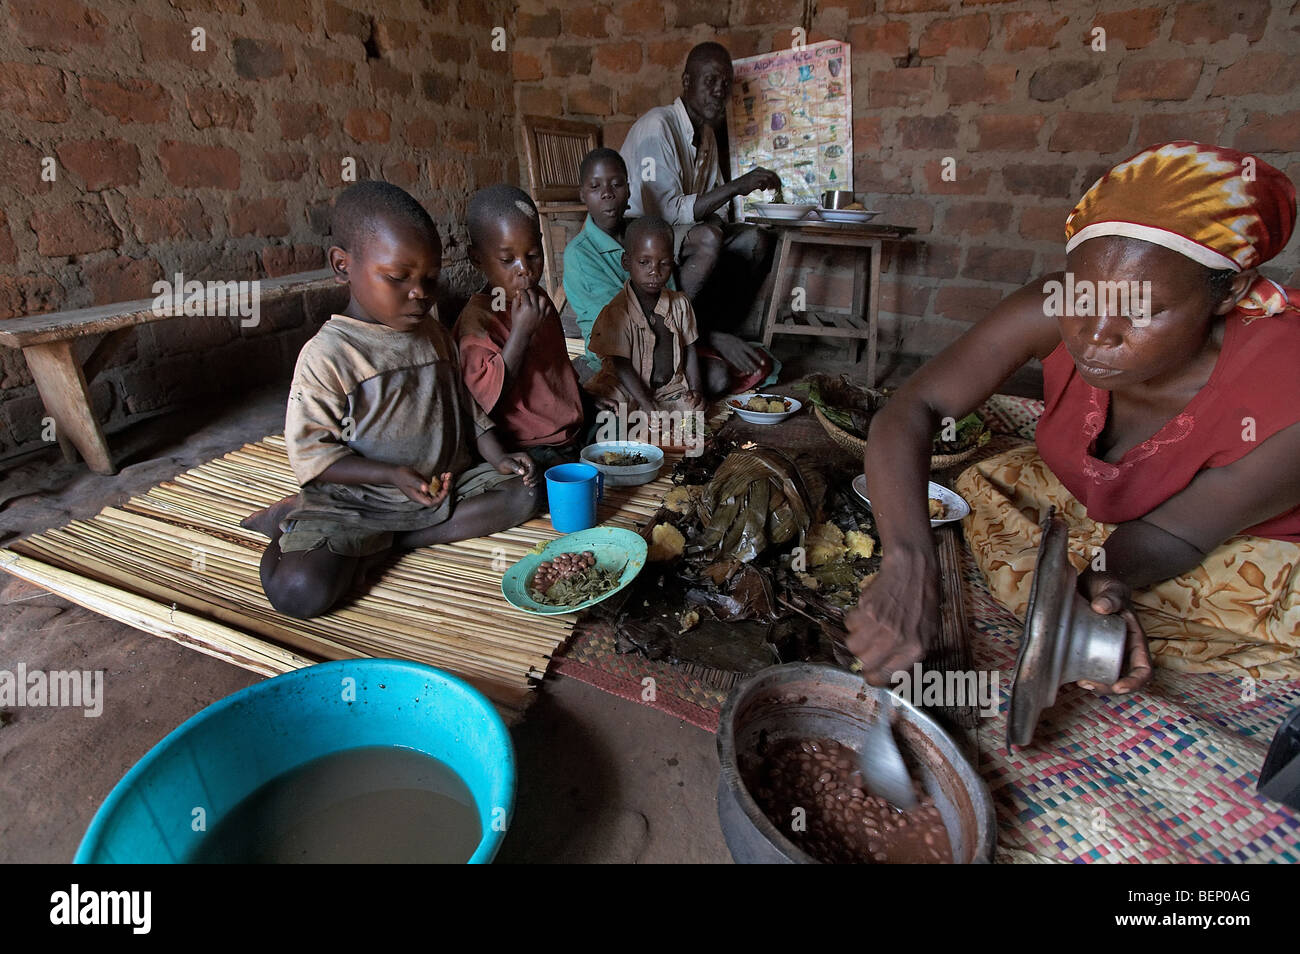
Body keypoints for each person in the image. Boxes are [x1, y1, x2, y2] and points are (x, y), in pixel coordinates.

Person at [846, 141, 1300, 689]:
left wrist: (1103, 584)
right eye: (1083, 297)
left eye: (1140, 310)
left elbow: (1176, 535)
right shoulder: (1053, 306)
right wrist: (909, 565)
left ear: (1230, 292)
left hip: (1243, 540)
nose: (1096, 332)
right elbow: (916, 407)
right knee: (986, 484)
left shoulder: (1284, 392)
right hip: (1104, 508)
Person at [241, 181, 540, 619]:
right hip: (358, 501)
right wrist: (389, 475)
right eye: (399, 278)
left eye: (430, 279)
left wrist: (499, 457)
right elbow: (313, 454)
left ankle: (393, 544)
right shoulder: (329, 355)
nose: (420, 293)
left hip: (437, 488)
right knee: (299, 591)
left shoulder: (434, 335)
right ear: (343, 265)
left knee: (526, 493)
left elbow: (466, 408)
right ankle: (290, 526)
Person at [620, 40, 779, 382]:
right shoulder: (657, 126)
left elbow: (716, 207)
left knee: (758, 240)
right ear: (687, 82)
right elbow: (666, 213)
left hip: (679, 233)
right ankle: (673, 330)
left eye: (725, 84)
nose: (719, 91)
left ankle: (709, 328)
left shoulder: (705, 135)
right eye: (710, 81)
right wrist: (738, 186)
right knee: (708, 239)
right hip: (642, 235)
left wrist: (723, 218)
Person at [563, 147, 774, 395]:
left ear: (629, 190)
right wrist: (712, 338)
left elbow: (672, 302)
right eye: (595, 187)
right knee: (619, 398)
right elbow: (623, 328)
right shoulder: (579, 255)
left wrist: (693, 339)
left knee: (720, 377)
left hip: (665, 349)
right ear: (582, 195)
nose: (607, 194)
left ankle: (666, 390)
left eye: (616, 184)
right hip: (620, 358)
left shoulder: (644, 235)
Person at [455, 184, 587, 471]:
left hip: (571, 429)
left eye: (533, 254)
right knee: (538, 483)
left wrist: (586, 398)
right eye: (507, 260)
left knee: (629, 429)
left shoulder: (539, 299)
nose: (524, 269)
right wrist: (521, 333)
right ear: (476, 258)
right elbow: (488, 404)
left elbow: (558, 371)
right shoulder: (476, 323)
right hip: (529, 444)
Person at [584, 216, 705, 414]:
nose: (654, 272)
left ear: (672, 263)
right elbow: (621, 366)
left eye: (664, 263)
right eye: (644, 262)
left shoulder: (680, 304)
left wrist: (696, 390)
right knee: (603, 408)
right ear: (626, 261)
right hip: (625, 387)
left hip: (668, 390)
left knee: (694, 412)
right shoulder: (616, 312)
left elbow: (690, 350)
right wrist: (647, 405)